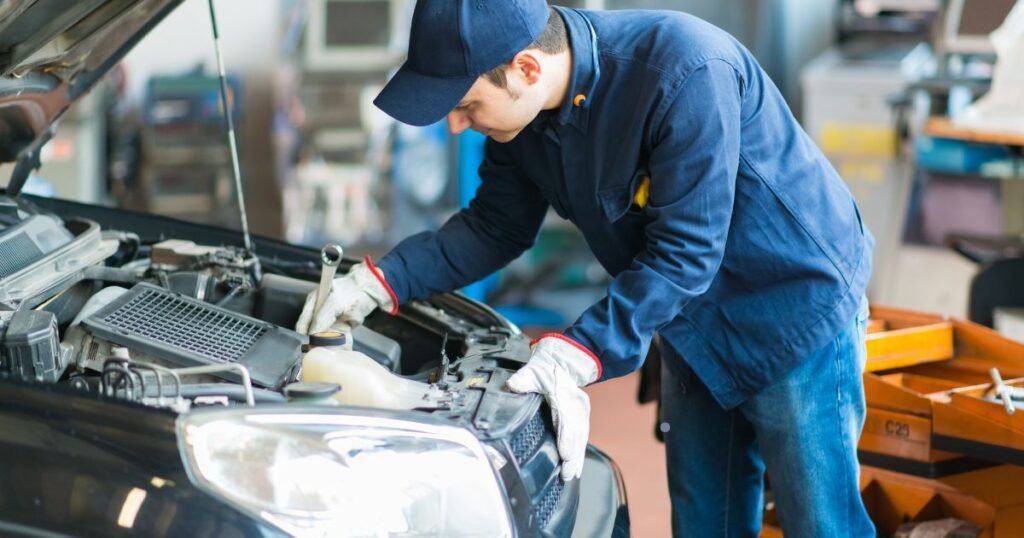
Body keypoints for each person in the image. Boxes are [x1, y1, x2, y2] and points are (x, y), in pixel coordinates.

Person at [295, 1, 876, 536]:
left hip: (792, 312)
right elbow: (495, 226)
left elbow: (688, 249)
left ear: (525, 68)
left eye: (466, 105)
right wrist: (382, 280)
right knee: (705, 522)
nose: (456, 125)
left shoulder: (684, 71)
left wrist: (577, 351)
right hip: (689, 322)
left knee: (821, 525)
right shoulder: (522, 119)